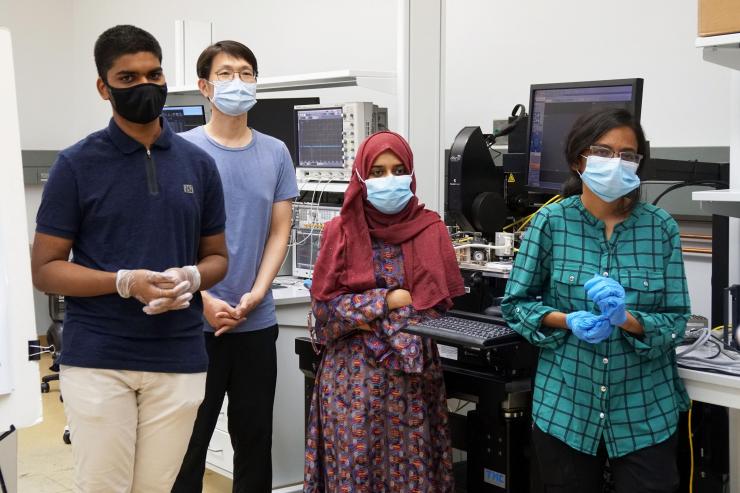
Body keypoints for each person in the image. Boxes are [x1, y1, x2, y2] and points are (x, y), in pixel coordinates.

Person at [30, 25, 228, 493]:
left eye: (153, 74)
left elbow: (218, 256)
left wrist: (192, 276)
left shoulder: (197, 164)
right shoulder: (77, 164)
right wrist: (122, 281)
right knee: (103, 486)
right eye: (128, 78)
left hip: (178, 355)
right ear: (104, 87)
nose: (145, 86)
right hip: (100, 357)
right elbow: (45, 268)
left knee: (157, 488)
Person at [501, 108, 691, 493]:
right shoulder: (550, 223)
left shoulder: (660, 228)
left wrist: (627, 319)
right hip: (566, 410)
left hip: (644, 414)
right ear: (578, 160)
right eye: (603, 152)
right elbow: (515, 304)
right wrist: (566, 320)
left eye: (628, 155)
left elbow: (676, 320)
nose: (616, 163)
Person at [304, 131, 465, 493]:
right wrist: (388, 300)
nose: (388, 180)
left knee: (414, 474)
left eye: (398, 169)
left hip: (412, 382)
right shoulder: (340, 232)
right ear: (361, 177)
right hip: (353, 382)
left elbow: (440, 301)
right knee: (357, 472)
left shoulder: (431, 229)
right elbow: (324, 311)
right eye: (376, 171)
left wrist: (378, 311)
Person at [172, 40, 297, 493]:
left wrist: (259, 292)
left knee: (254, 441)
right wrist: (201, 298)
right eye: (226, 74)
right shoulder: (180, 151)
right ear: (205, 86)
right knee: (189, 444)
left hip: (255, 322)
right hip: (192, 323)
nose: (237, 82)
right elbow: (168, 238)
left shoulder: (275, 153)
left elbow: (279, 229)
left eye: (246, 73)